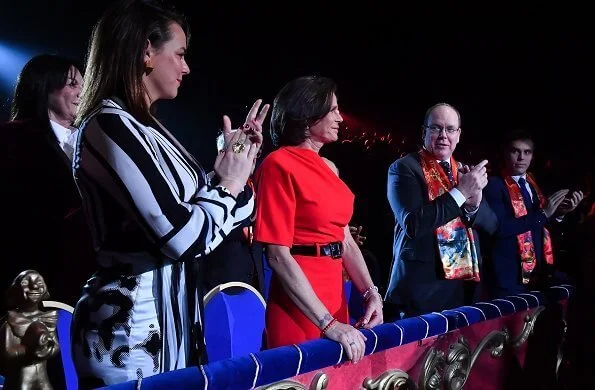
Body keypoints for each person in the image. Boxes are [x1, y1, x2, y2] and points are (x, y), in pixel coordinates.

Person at [69, 0, 269, 386]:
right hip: (129, 336)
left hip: (176, 327)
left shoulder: (149, 128)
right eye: (179, 54)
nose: (186, 67)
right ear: (146, 51)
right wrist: (227, 182)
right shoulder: (108, 124)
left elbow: (230, 213)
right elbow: (183, 236)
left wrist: (238, 163)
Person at [254, 76, 383, 364]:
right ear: (308, 113)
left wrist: (370, 293)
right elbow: (276, 255)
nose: (340, 117)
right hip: (298, 306)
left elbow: (345, 239)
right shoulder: (278, 164)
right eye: (333, 109)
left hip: (335, 297)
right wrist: (327, 323)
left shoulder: (330, 167)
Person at [385, 103, 498, 317]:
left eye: (450, 129)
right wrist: (460, 194)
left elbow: (492, 225)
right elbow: (413, 224)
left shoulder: (464, 172)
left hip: (461, 289)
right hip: (421, 289)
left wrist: (473, 205)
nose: (443, 135)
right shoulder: (404, 168)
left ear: (459, 134)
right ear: (424, 132)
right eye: (436, 128)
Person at [0, 54, 94, 312]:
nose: (81, 93)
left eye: (83, 85)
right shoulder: (14, 138)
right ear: (43, 86)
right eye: (72, 84)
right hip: (41, 275)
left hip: (89, 275)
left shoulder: (91, 140)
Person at [482, 130, 583, 298]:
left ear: (532, 156)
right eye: (515, 151)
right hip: (507, 277)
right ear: (505, 154)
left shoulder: (534, 184)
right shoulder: (493, 184)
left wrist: (559, 214)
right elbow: (501, 228)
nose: (521, 157)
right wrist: (544, 213)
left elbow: (542, 227)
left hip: (537, 274)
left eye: (527, 152)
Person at [200, 132, 265, 295]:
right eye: (244, 151)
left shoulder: (255, 187)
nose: (252, 158)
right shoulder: (209, 187)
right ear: (223, 154)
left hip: (252, 284)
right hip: (217, 286)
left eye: (254, 153)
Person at [0, 270, 59, 390]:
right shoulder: (10, 322)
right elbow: (7, 354)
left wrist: (47, 348)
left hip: (43, 377)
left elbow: (56, 346)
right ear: (15, 291)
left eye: (38, 281)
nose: (35, 286)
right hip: (21, 379)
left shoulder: (46, 318)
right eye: (26, 282)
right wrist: (29, 348)